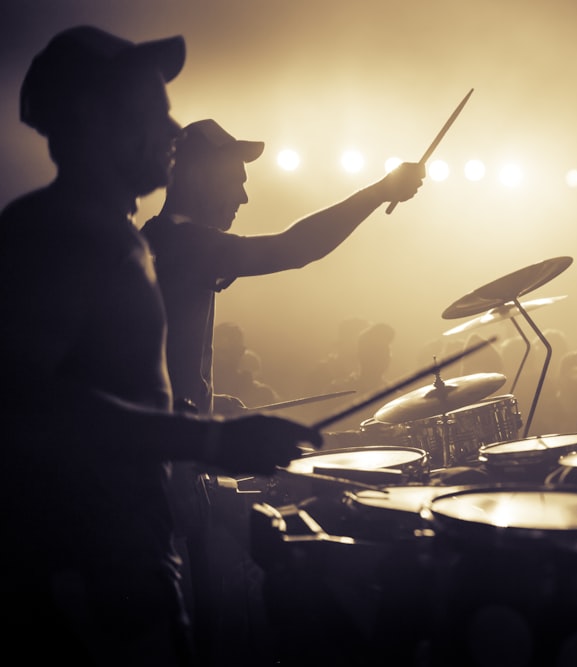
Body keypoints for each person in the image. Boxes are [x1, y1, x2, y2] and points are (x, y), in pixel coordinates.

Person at [0, 25, 322, 666]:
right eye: (153, 110)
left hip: (122, 554)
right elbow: (26, 404)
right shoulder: (61, 234)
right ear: (95, 120)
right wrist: (209, 442)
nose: (172, 129)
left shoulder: (114, 235)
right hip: (89, 569)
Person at [141, 118, 425, 418]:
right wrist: (379, 192)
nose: (243, 196)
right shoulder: (185, 245)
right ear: (199, 179)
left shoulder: (160, 237)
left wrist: (208, 399)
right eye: (234, 181)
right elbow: (295, 248)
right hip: (171, 457)